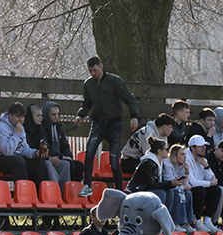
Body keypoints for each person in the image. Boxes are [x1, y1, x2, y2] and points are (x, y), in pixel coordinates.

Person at [75, 56, 140, 196]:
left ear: (101, 67)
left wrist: (134, 116)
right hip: (98, 122)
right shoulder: (88, 84)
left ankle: (119, 190)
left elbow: (129, 99)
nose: (93, 74)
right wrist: (80, 115)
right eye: (90, 71)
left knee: (113, 159)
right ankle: (87, 185)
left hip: (114, 123)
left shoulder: (114, 81)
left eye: (95, 70)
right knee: (90, 151)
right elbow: (87, 103)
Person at [0, 102, 41, 182]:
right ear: (10, 116)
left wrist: (35, 153)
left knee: (39, 162)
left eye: (23, 117)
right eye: (18, 116)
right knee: (19, 161)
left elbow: (23, 149)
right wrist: (17, 134)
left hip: (12, 158)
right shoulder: (0, 128)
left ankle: (38, 191)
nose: (21, 120)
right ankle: (22, 190)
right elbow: (7, 151)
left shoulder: (20, 129)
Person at [126, 137, 180, 214]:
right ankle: (154, 219)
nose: (168, 151)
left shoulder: (160, 163)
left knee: (170, 192)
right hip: (135, 192)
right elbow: (151, 185)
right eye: (166, 149)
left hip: (145, 190)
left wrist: (172, 184)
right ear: (159, 151)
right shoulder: (147, 163)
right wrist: (171, 183)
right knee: (161, 193)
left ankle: (165, 218)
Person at [186, 135, 223, 233]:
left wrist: (206, 166)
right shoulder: (186, 158)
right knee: (200, 190)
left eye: (204, 145)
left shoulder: (203, 160)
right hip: (188, 190)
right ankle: (196, 221)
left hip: (199, 188)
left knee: (216, 190)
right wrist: (210, 183)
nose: (204, 148)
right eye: (200, 146)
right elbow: (192, 182)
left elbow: (213, 179)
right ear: (192, 148)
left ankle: (207, 221)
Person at [41, 101, 84, 184]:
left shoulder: (58, 128)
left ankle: (75, 189)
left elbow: (64, 145)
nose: (56, 117)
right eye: (53, 114)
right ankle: (66, 191)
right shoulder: (42, 128)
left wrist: (68, 156)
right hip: (50, 157)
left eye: (57, 114)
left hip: (59, 157)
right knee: (67, 164)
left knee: (78, 165)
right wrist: (61, 157)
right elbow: (44, 146)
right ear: (46, 114)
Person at [24, 104, 63, 185]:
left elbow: (45, 147)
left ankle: (65, 192)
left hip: (43, 157)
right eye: (38, 115)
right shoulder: (24, 130)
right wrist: (48, 158)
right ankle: (53, 189)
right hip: (30, 159)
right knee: (46, 164)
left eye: (41, 115)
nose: (41, 118)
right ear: (31, 116)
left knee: (66, 164)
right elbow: (25, 149)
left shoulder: (40, 129)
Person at [162, 145, 197, 233]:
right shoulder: (167, 163)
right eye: (182, 154)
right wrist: (184, 186)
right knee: (178, 192)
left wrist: (187, 172)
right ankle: (176, 222)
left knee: (188, 193)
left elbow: (185, 183)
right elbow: (171, 183)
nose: (185, 157)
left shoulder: (183, 165)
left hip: (176, 188)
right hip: (167, 188)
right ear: (174, 155)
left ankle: (187, 222)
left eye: (185, 154)